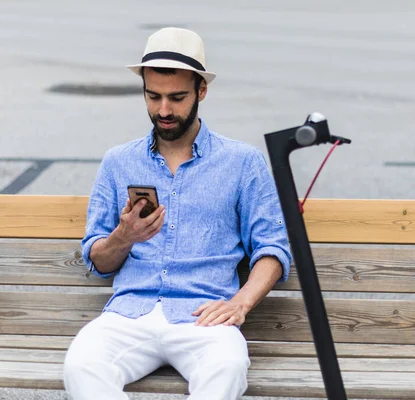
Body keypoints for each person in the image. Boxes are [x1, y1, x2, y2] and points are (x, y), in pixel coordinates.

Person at [63, 27, 292, 400]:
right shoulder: (118, 162)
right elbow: (98, 260)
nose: (164, 110)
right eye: (153, 97)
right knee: (81, 366)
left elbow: (273, 250)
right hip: (129, 314)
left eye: (177, 97)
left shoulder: (242, 162)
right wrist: (123, 237)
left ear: (201, 90)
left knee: (227, 369)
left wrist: (240, 303)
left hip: (204, 317)